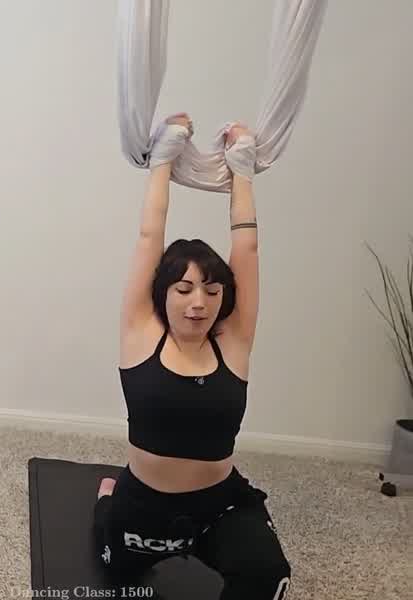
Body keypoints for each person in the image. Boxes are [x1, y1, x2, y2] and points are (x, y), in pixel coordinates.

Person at [94, 113, 292, 599]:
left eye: (211, 290)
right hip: (143, 507)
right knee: (117, 578)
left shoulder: (233, 342)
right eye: (183, 289)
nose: (198, 302)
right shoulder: (141, 334)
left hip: (218, 506)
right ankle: (107, 498)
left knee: (267, 575)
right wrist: (163, 157)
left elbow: (247, 247)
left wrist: (242, 167)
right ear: (163, 294)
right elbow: (150, 236)